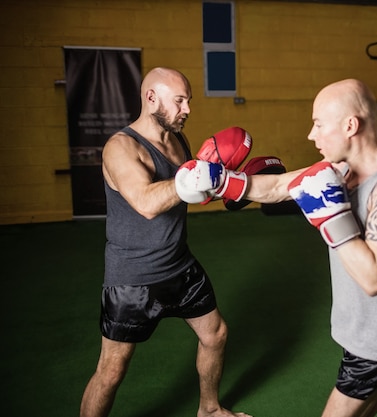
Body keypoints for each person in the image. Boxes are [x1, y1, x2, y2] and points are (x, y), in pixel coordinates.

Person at [176, 79, 377, 417]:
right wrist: (220, 182)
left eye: (319, 124)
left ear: (350, 125)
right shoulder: (341, 171)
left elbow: (375, 279)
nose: (311, 135)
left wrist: (333, 217)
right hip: (375, 330)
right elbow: (276, 185)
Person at [80, 67, 250, 417]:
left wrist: (233, 186)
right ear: (151, 98)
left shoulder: (177, 141)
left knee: (215, 334)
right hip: (133, 277)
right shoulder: (120, 147)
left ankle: (210, 409)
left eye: (188, 100)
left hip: (179, 265)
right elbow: (146, 202)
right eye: (179, 100)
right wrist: (195, 176)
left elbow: (189, 193)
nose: (187, 108)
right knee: (111, 370)